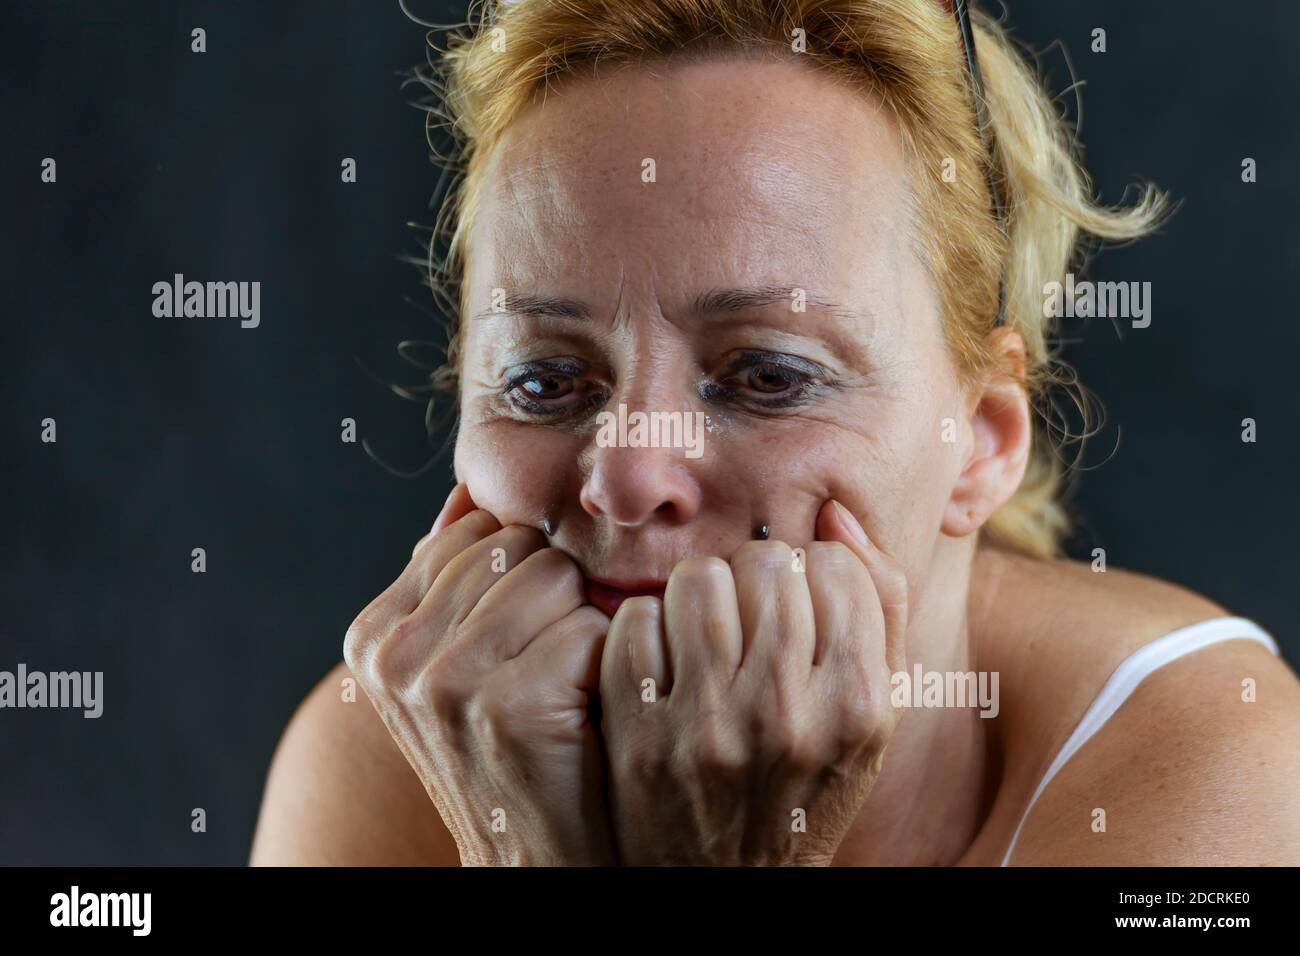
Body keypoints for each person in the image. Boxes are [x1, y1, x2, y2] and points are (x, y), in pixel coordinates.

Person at [249, 0, 1300, 865]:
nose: (624, 474)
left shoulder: (1214, 773)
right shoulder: (383, 750)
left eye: (766, 374)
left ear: (979, 440)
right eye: (543, 378)